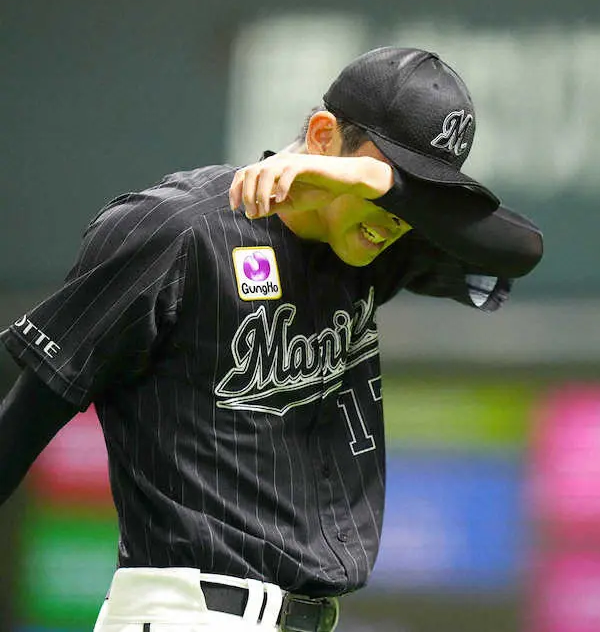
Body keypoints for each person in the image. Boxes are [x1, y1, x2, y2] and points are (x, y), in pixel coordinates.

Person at [0, 46, 543, 632]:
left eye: (414, 194)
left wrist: (381, 183)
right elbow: (24, 422)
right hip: (191, 613)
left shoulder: (374, 238)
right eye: (383, 177)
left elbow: (522, 248)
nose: (397, 212)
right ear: (322, 135)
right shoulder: (174, 231)